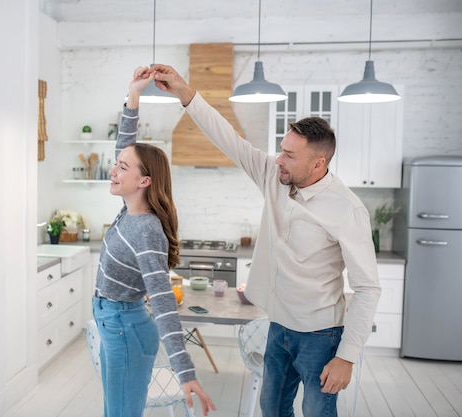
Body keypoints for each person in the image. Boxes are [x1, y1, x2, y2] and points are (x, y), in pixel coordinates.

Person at [147, 64, 381, 417]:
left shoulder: (347, 209)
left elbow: (367, 288)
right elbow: (229, 138)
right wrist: (183, 91)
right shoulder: (276, 175)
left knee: (318, 411)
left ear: (318, 164)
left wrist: (346, 356)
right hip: (279, 326)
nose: (278, 160)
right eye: (281, 149)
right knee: (271, 407)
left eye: (289, 155)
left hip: (321, 335)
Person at [92, 66, 215, 417]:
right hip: (115, 325)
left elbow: (162, 303)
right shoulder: (129, 209)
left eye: (122, 168)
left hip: (125, 330)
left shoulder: (145, 230)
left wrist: (186, 372)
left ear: (145, 181)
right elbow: (125, 148)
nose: (114, 171)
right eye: (117, 166)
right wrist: (134, 95)